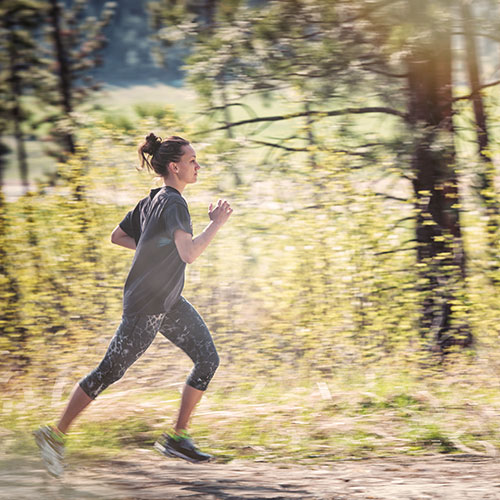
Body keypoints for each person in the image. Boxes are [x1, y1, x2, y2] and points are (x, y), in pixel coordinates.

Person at [34, 133, 233, 476]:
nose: (197, 166)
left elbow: (119, 235)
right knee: (109, 371)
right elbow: (189, 254)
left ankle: (178, 438)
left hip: (167, 300)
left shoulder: (153, 199)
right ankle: (54, 435)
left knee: (207, 358)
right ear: (174, 166)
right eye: (192, 161)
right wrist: (215, 224)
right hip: (146, 304)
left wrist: (154, 249)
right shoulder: (173, 203)